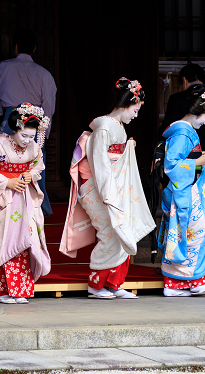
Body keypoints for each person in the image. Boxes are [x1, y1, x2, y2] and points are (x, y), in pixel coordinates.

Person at [62, 78, 155, 299]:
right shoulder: (103, 128)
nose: (136, 115)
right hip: (100, 188)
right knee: (109, 233)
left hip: (112, 186)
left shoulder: (117, 127)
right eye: (135, 109)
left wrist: (127, 148)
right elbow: (101, 164)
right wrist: (108, 194)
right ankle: (96, 284)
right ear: (126, 104)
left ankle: (115, 283)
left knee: (122, 229)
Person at [160, 84, 205, 297]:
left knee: (191, 234)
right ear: (198, 111)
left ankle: (192, 281)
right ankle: (177, 283)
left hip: (186, 189)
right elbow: (171, 165)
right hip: (182, 192)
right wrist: (198, 163)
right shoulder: (182, 134)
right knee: (193, 233)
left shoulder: (185, 132)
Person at [0, 30, 57, 217]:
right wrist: (43, 131)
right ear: (34, 48)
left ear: (15, 47)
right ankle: (37, 208)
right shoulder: (44, 75)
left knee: (1, 163)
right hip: (34, 125)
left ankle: (1, 206)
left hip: (10, 122)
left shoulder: (0, 69)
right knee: (34, 164)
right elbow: (49, 106)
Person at [0, 103, 52, 304]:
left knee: (25, 238)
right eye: (24, 135)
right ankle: (2, 291)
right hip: (3, 200)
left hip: (24, 198)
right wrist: (7, 181)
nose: (27, 141)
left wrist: (28, 175)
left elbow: (38, 166)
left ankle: (20, 289)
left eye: (32, 137)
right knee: (2, 240)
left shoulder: (34, 147)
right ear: (14, 129)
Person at [159, 63, 205, 180]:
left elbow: (165, 130)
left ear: (184, 80)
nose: (204, 123)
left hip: (187, 159)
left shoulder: (176, 99)